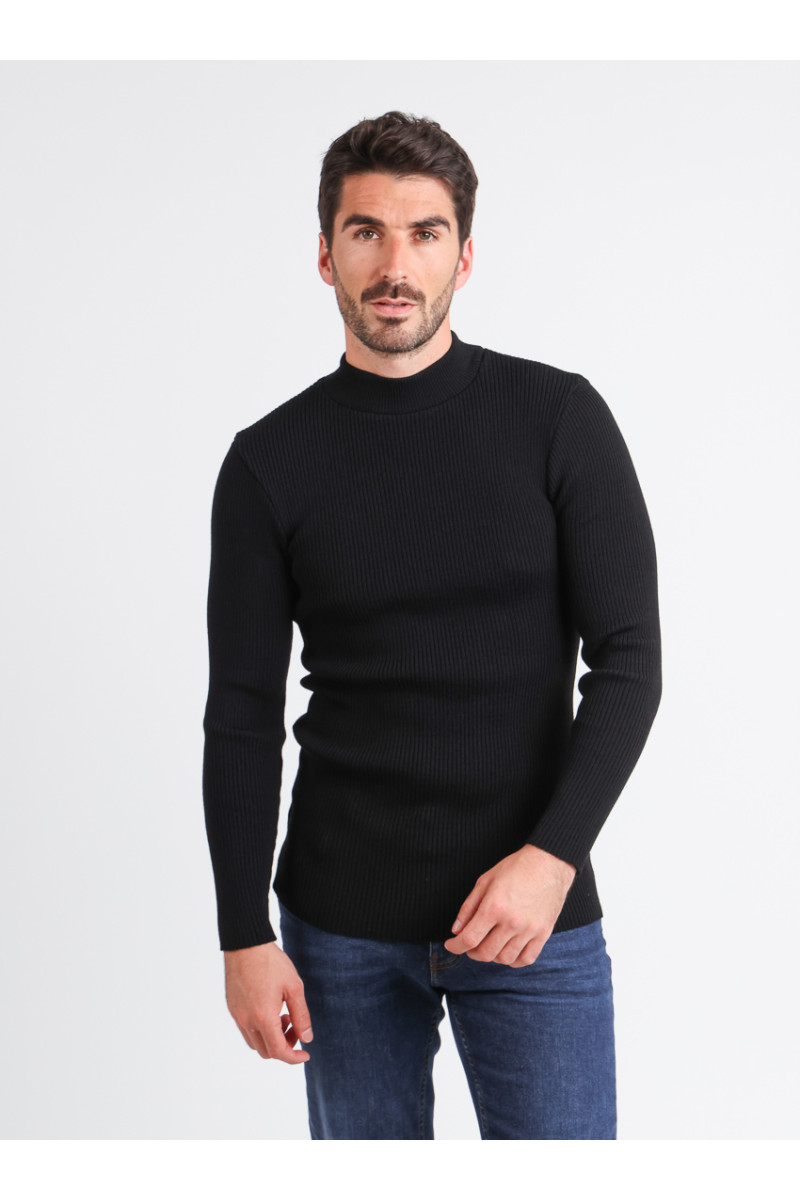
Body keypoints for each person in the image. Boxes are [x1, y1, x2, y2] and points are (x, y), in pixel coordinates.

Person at [202, 111, 662, 1140]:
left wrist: (552, 857)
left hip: (530, 914)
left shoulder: (558, 420)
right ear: (326, 256)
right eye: (366, 232)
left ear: (465, 255)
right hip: (337, 929)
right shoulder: (268, 463)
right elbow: (241, 714)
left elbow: (629, 661)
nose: (395, 265)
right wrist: (242, 934)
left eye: (425, 232)